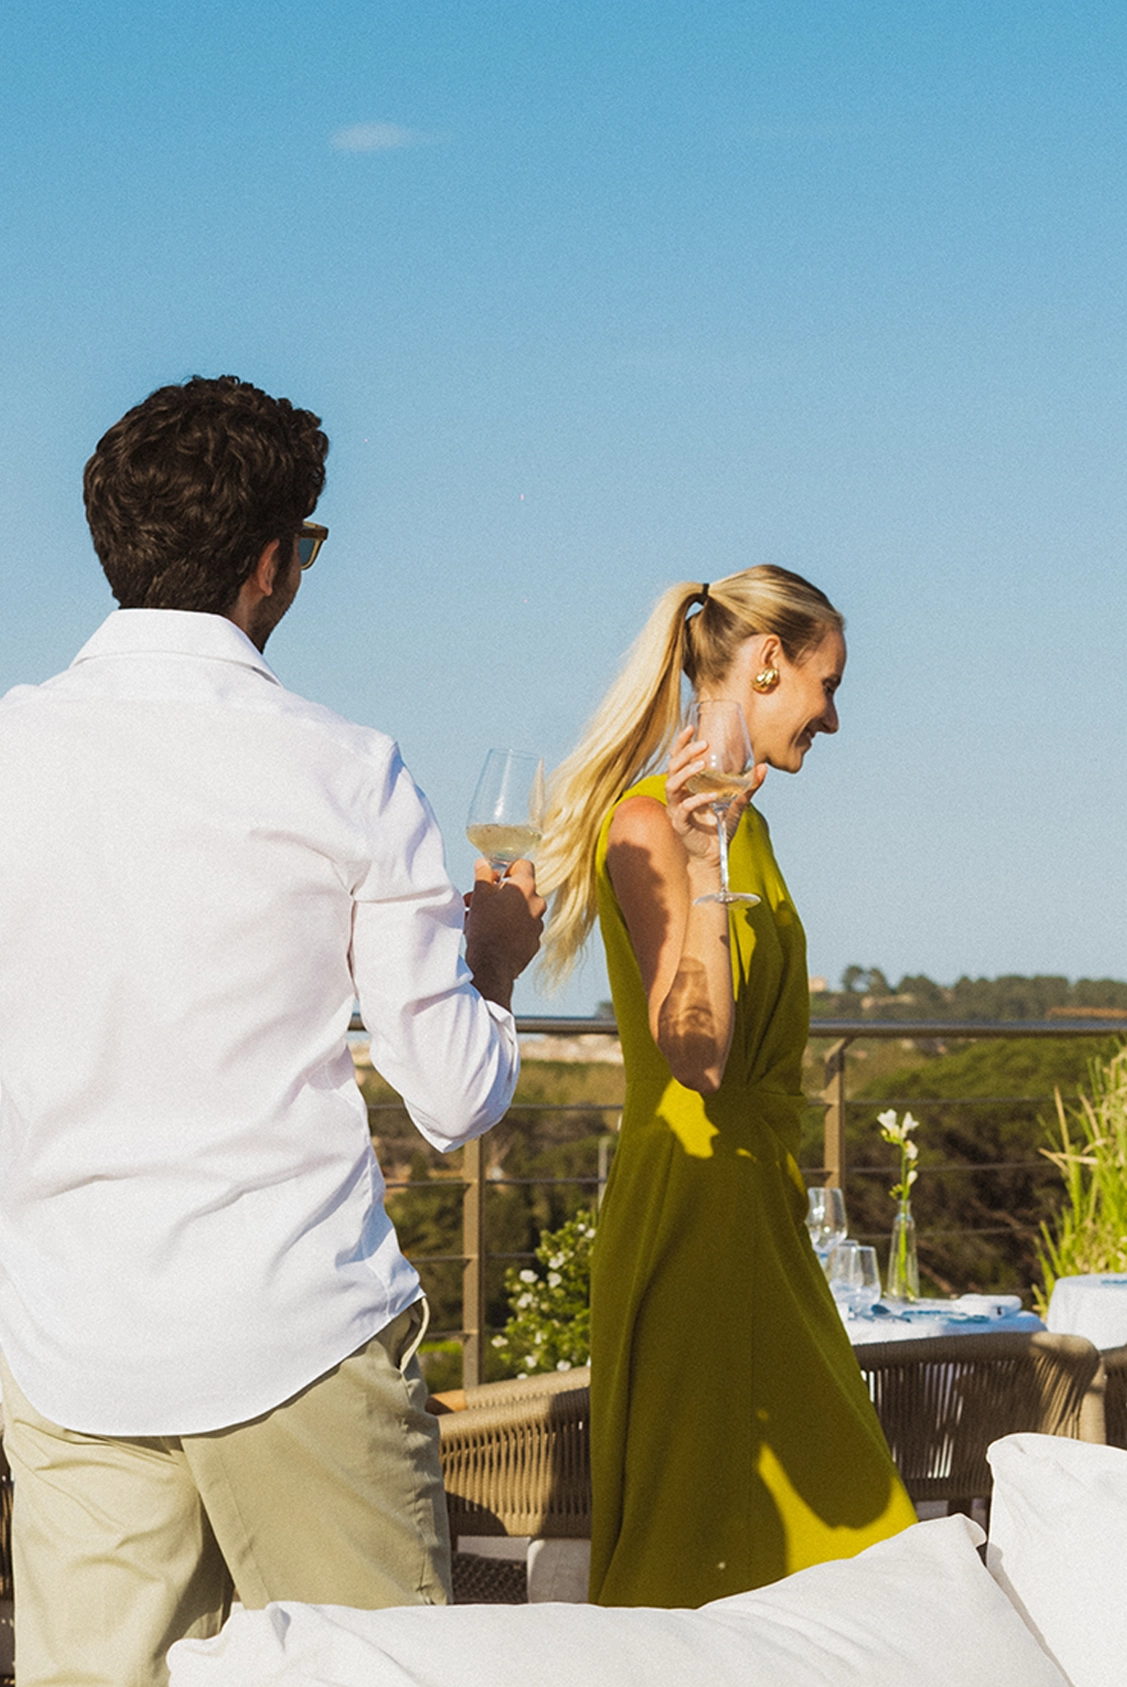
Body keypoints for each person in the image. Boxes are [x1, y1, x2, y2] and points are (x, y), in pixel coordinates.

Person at [0, 375, 545, 1687]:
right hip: (294, 1333)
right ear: (269, 565)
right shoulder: (345, 767)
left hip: (71, 1343)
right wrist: (494, 967)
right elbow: (453, 1093)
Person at [537, 566, 916, 1608]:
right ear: (762, 664)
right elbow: (695, 1058)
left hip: (756, 1206)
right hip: (696, 1211)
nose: (830, 717)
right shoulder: (653, 826)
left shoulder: (744, 825)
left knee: (824, 1552)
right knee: (717, 1548)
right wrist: (704, 859)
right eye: (823, 683)